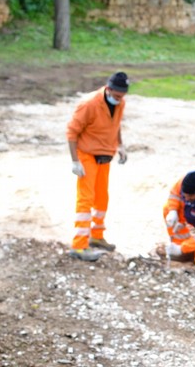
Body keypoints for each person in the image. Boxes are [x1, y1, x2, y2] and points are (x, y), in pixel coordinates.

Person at [66, 71, 130, 262]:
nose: (119, 100)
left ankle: (96, 236)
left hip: (104, 157)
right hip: (86, 156)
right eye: (117, 96)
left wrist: (120, 145)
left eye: (122, 97)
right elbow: (71, 132)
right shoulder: (89, 104)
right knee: (86, 200)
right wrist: (75, 161)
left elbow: (116, 124)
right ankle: (79, 246)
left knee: (101, 199)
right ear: (108, 89)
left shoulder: (120, 103)